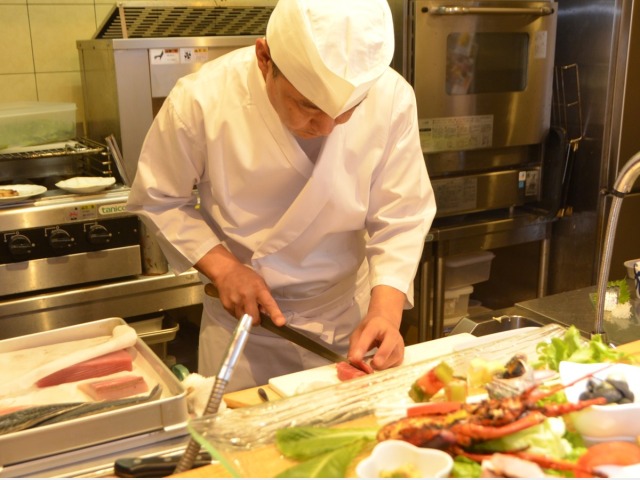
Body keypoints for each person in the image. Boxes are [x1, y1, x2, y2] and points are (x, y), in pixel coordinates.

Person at [127, 0, 437, 391]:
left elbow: (402, 215)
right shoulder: (202, 99)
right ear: (264, 59)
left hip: (346, 323)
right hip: (245, 333)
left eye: (348, 110)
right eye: (308, 105)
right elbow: (160, 198)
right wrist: (225, 269)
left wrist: (386, 314)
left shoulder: (391, 97)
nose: (326, 127)